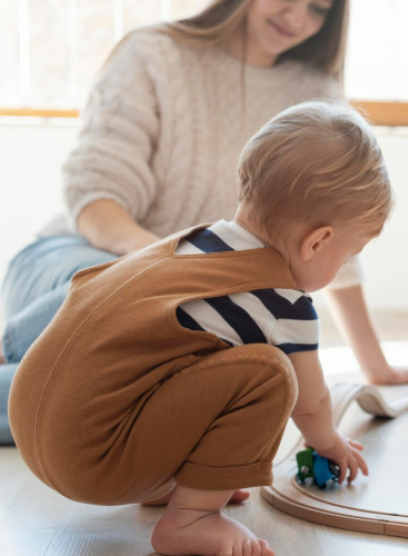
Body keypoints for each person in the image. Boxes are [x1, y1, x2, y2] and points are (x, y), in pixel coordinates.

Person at [0, 0, 408, 444]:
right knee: (119, 338)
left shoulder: (314, 93)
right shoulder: (153, 54)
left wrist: (374, 364)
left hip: (195, 296)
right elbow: (95, 197)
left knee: (176, 374)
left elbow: (336, 239)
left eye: (318, 9)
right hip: (81, 263)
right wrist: (175, 267)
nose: (297, 18)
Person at [10, 101, 384, 556]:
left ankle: (178, 483)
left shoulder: (193, 244)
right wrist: (331, 442)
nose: (342, 265)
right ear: (318, 241)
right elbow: (310, 406)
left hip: (32, 423)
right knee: (270, 375)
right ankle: (192, 518)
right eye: (345, 256)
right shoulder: (285, 304)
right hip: (92, 462)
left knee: (205, 365)